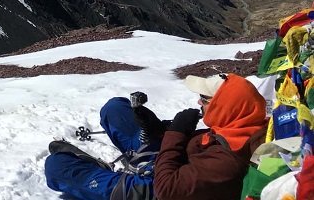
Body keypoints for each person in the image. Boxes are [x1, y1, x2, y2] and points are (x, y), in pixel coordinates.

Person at [44, 73, 268, 200]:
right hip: (167, 162)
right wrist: (159, 129)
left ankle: (100, 174)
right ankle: (129, 161)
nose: (199, 102)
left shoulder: (227, 160)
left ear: (226, 107)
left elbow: (167, 190)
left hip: (156, 188)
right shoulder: (238, 126)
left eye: (205, 98)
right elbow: (195, 148)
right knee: (115, 108)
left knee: (56, 167)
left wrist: (175, 133)